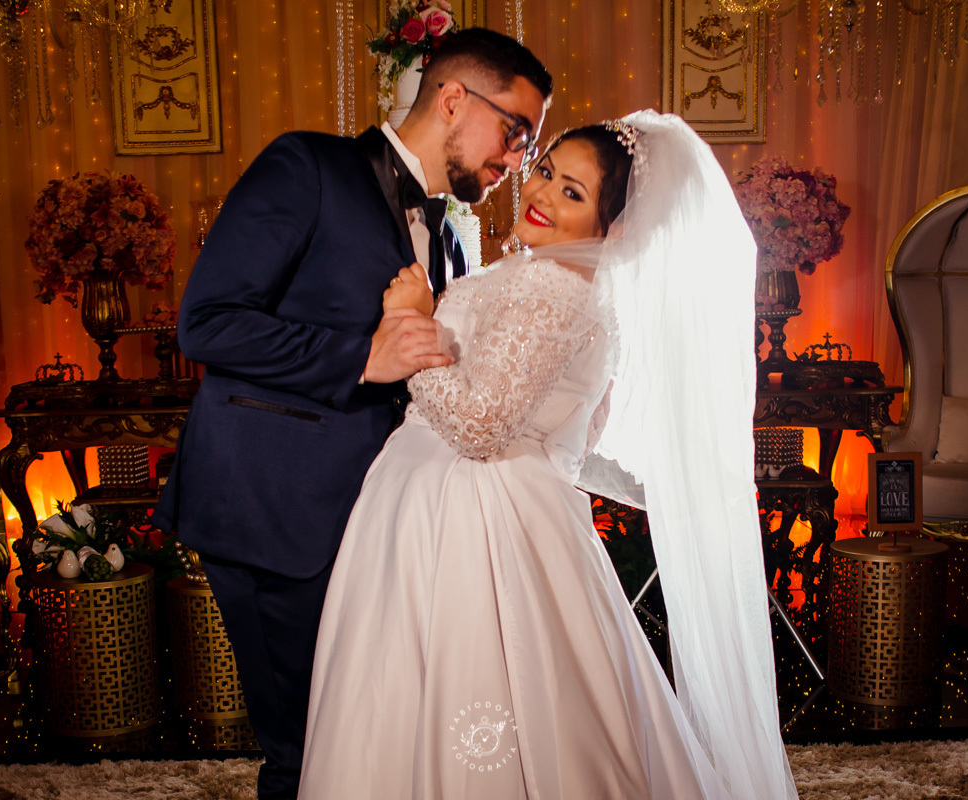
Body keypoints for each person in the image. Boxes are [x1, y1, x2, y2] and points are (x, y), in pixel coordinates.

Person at [298, 112, 799, 799]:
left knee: (458, 692)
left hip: (469, 521)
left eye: (573, 193)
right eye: (545, 173)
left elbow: (479, 427)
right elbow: (577, 427)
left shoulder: (555, 290)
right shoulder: (569, 288)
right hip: (489, 507)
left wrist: (411, 325)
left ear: (614, 227)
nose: (540, 194)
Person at [152, 29, 553, 800]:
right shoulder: (306, 166)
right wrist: (360, 357)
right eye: (516, 132)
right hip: (277, 514)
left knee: (365, 748)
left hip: (381, 526)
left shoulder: (446, 236)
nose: (517, 162)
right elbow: (206, 322)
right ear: (454, 98)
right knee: (305, 755)